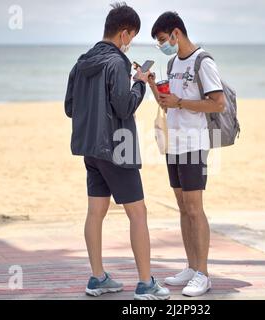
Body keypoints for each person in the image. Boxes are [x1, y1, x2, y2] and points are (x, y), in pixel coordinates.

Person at [64, 2, 169, 300]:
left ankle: (97, 278)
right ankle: (146, 283)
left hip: (90, 148)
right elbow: (124, 106)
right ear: (124, 33)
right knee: (138, 213)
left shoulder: (81, 61)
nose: (131, 43)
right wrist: (140, 84)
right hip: (118, 146)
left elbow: (70, 108)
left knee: (95, 212)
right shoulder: (118, 63)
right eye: (132, 37)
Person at [149, 11, 225, 297]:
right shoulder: (172, 62)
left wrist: (181, 101)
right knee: (182, 208)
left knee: (195, 208)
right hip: (174, 143)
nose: (162, 46)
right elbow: (168, 105)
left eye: (163, 40)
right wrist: (153, 85)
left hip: (194, 143)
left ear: (176, 33)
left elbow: (218, 104)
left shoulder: (203, 61)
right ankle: (192, 267)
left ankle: (204, 274)